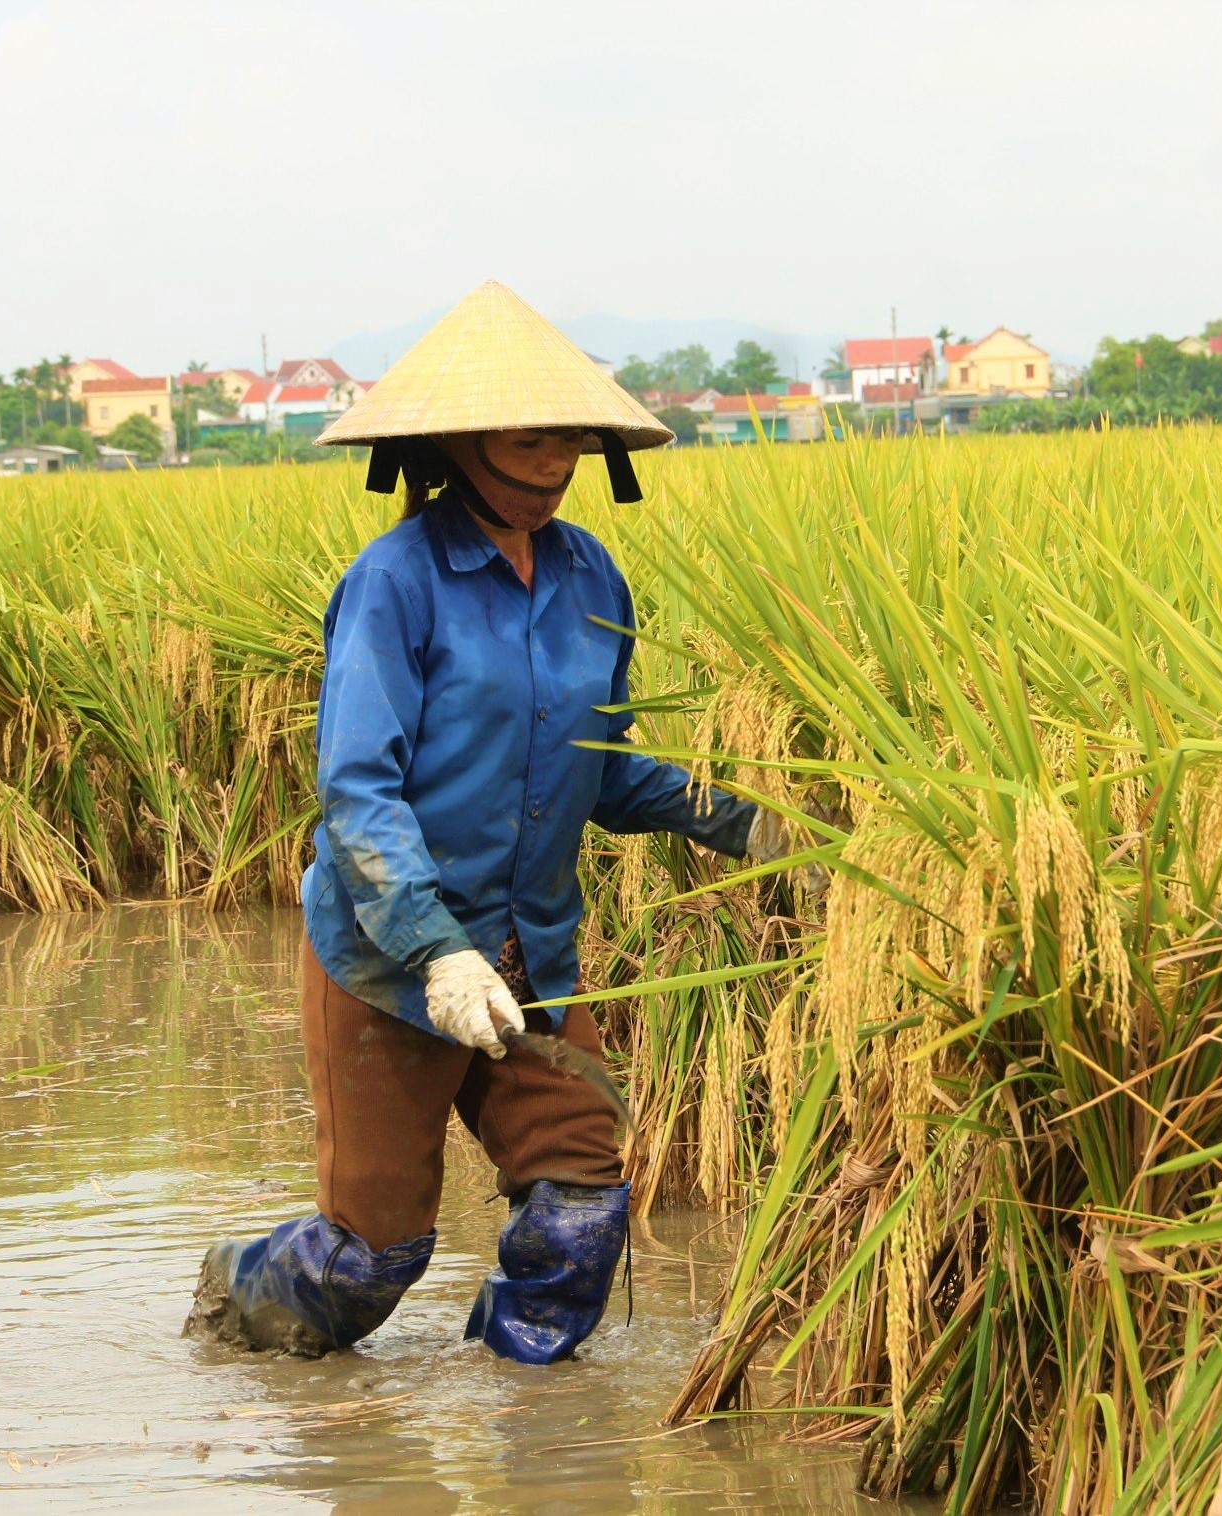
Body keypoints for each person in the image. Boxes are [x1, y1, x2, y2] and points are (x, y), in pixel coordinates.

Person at [185, 282, 791, 1364]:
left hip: (533, 953)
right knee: (367, 1266)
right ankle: (238, 1284)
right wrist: (436, 952)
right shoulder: (394, 584)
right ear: (461, 444)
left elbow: (593, 770)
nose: (552, 459)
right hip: (389, 957)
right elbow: (359, 790)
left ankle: (530, 1419)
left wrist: (742, 822)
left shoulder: (587, 575)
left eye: (565, 435)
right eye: (527, 437)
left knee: (581, 1215)